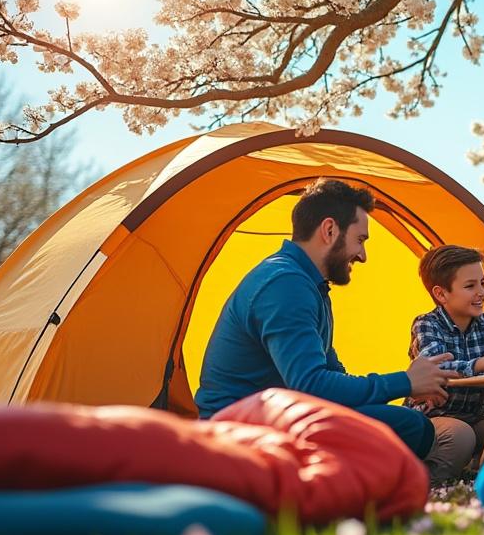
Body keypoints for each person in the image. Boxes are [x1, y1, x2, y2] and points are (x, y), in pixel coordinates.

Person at [195, 178, 454, 458]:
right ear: (329, 230)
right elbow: (311, 385)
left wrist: (410, 385)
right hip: (236, 432)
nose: (363, 255)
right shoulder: (285, 284)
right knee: (409, 427)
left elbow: (332, 377)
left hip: (276, 417)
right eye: (360, 239)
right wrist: (404, 381)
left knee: (407, 423)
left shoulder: (310, 284)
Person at [408, 244, 484, 484]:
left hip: (475, 414)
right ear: (441, 294)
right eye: (470, 286)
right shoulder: (426, 325)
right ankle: (429, 484)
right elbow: (440, 372)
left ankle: (474, 479)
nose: (481, 292)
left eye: (483, 282)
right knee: (460, 435)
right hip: (434, 416)